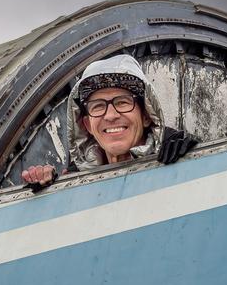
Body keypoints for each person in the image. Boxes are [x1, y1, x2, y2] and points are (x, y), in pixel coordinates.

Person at [20, 53, 194, 188]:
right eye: (98, 106)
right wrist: (50, 190)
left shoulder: (179, 158)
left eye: (123, 102)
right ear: (87, 125)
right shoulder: (76, 182)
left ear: (146, 116)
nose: (110, 115)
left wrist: (192, 159)